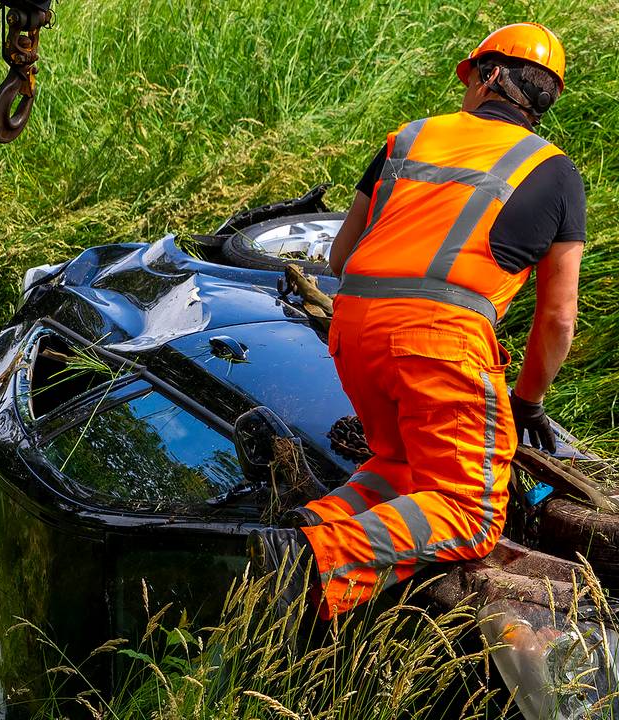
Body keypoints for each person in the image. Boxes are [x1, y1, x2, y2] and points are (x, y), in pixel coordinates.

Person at [247, 22, 586, 619]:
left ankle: (303, 530)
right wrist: (529, 401)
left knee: (405, 469)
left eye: (469, 78)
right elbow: (558, 319)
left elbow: (340, 255)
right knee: (472, 512)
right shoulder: (556, 172)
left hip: (354, 329)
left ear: (490, 76)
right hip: (438, 341)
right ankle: (307, 558)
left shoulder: (409, 138)